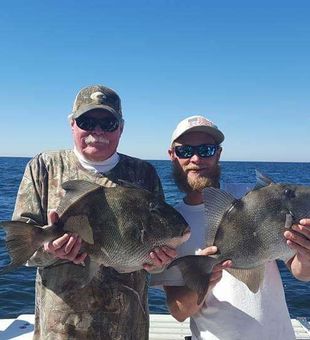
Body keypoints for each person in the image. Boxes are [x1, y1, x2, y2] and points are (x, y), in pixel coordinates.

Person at [12, 84, 175, 340]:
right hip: (62, 329)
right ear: (72, 124)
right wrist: (48, 250)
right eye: (87, 121)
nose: (97, 131)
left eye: (108, 123)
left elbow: (153, 254)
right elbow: (23, 251)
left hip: (127, 328)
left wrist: (159, 263)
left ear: (121, 127)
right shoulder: (44, 167)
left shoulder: (144, 174)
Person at [151, 115, 310, 340]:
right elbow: (178, 311)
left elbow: (300, 272)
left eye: (206, 149)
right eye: (185, 151)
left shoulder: (253, 196)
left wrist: (306, 253)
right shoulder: (170, 224)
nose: (196, 158)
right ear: (172, 156)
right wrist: (206, 279)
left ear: (218, 153)